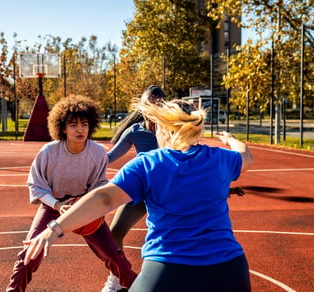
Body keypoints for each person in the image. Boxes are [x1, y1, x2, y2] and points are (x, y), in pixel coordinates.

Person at [24, 98, 254, 291]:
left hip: (169, 268)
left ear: (164, 128)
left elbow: (105, 198)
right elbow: (247, 158)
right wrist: (232, 140)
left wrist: (55, 228)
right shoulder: (222, 159)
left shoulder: (149, 163)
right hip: (230, 269)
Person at [5, 95, 137, 292]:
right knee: (30, 253)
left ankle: (139, 287)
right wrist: (58, 205)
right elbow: (36, 186)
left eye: (84, 124)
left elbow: (100, 185)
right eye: (73, 124)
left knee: (113, 256)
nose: (80, 129)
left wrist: (84, 203)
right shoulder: (49, 152)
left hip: (84, 205)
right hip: (53, 206)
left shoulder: (98, 153)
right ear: (62, 127)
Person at [103, 85, 164, 291]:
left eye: (159, 102)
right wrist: (84, 156)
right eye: (150, 102)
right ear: (142, 106)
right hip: (141, 190)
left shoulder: (170, 130)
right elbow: (110, 157)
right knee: (114, 234)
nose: (154, 106)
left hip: (166, 192)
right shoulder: (135, 132)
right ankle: (118, 279)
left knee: (170, 236)